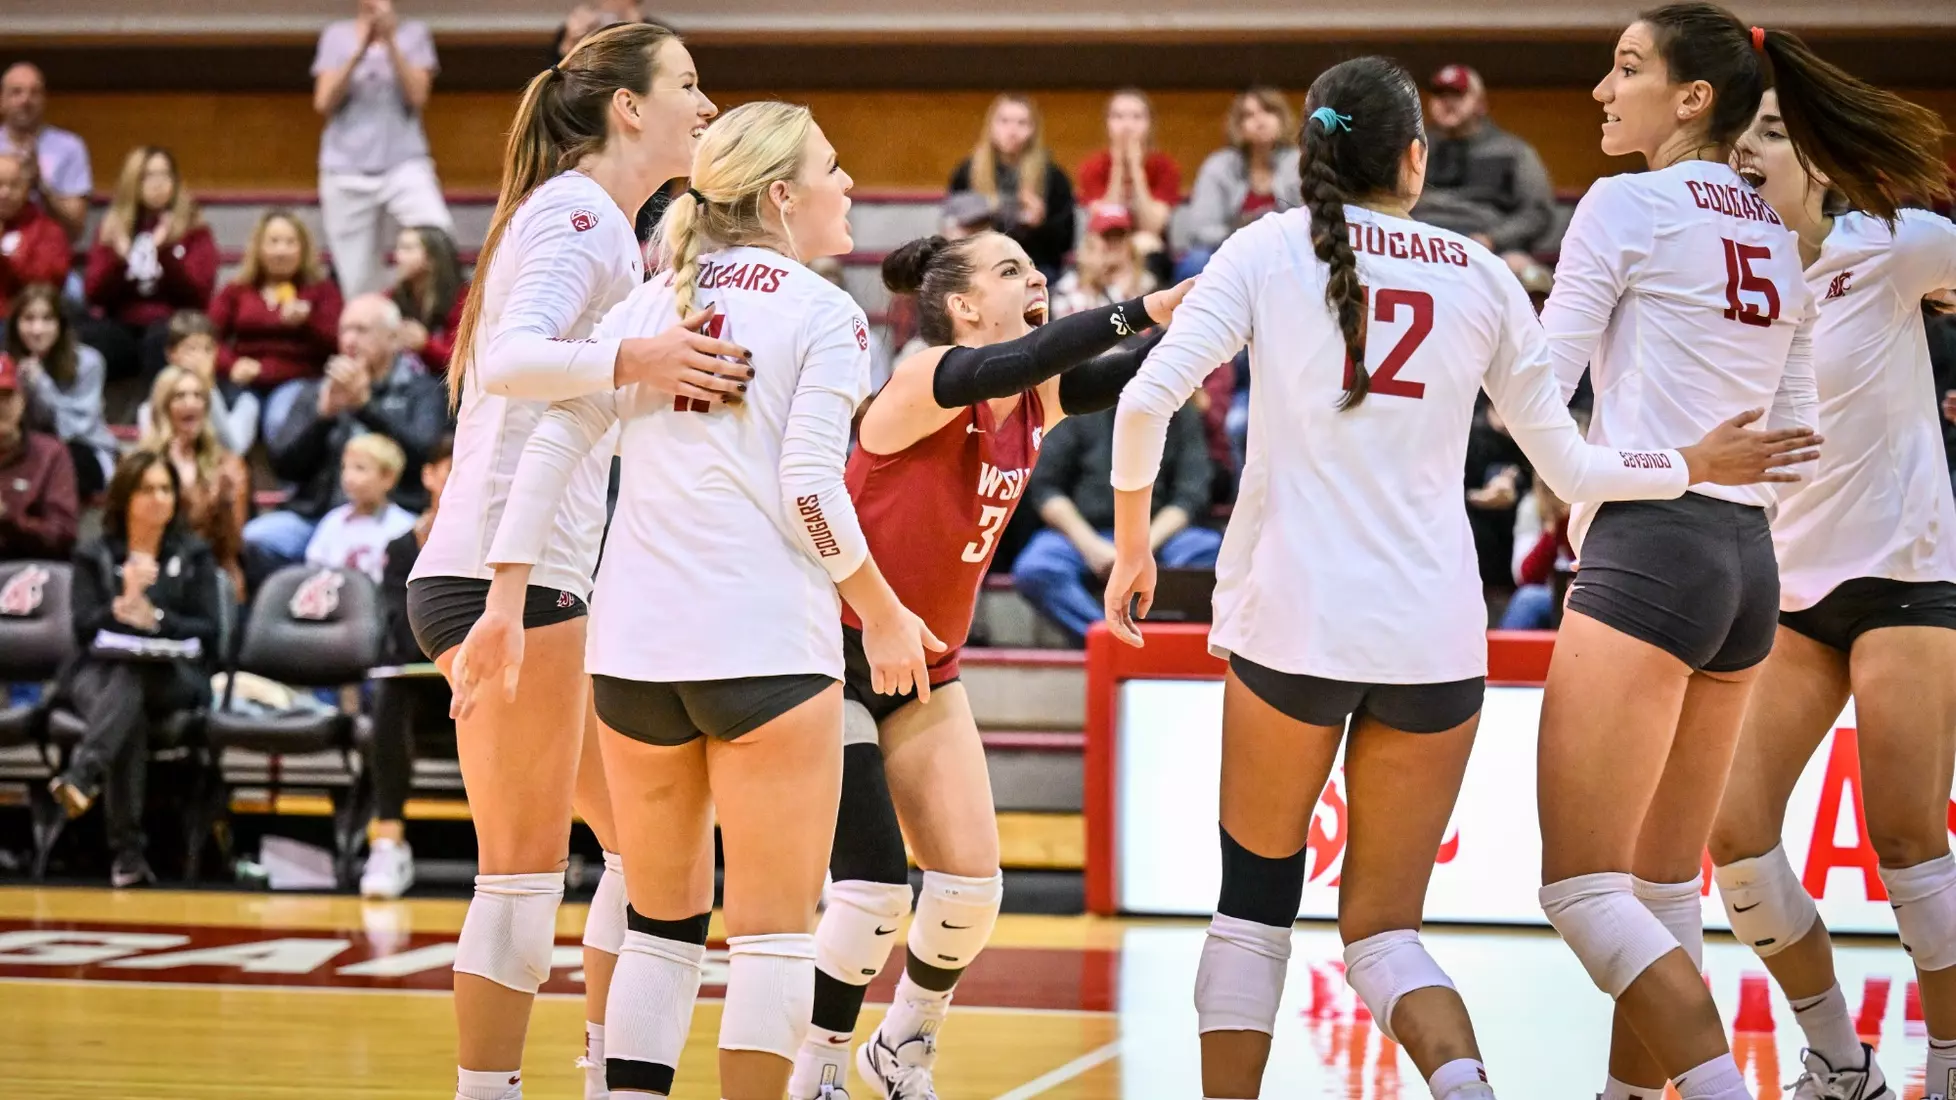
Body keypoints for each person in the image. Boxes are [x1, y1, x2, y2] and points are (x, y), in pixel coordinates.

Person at [1098, 54, 1820, 1100]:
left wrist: (1134, 545)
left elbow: (1141, 403)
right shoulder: (1480, 270)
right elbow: (1569, 466)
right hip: (1436, 641)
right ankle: (1467, 1086)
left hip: (1294, 623)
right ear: (1415, 158)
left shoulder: (1265, 246)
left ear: (1311, 156)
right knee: (1388, 933)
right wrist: (1687, 463)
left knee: (1252, 910)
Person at [453, 100, 937, 1100]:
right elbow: (811, 490)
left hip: (634, 659)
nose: (849, 184)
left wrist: (505, 591)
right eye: (833, 167)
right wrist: (883, 612)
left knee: (661, 933)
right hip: (764, 651)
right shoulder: (824, 312)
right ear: (781, 195)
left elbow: (549, 441)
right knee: (770, 941)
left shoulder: (646, 305)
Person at [1528, 7, 1941, 1098]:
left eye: (1625, 68)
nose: (1602, 91)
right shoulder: (1774, 234)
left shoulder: (1622, 203)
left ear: (1691, 97)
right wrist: (1706, 463)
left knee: (1582, 889)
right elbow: (1794, 437)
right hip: (1751, 566)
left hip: (1654, 549)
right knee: (1664, 888)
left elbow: (1540, 396)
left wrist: (1656, 462)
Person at [402, 23, 735, 1100]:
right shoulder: (580, 213)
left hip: (541, 572)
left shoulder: (601, 224)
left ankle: (606, 1073)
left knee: (642, 844)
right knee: (519, 872)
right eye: (688, 83)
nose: (706, 105)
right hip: (503, 575)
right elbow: (510, 361)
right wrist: (641, 355)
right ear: (629, 108)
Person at [785, 232, 1190, 1100]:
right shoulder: (921, 377)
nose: (1036, 275)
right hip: (835, 650)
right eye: (1010, 270)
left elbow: (1140, 373)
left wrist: (1225, 316)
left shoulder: (1036, 398)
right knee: (873, 896)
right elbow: (1034, 356)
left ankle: (901, 1050)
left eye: (1034, 266)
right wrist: (1146, 306)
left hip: (929, 665)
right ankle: (815, 1070)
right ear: (964, 307)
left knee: (970, 890)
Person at [1704, 83, 1956, 1098]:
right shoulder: (1723, 276)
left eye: (1771, 130)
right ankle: (1841, 1059)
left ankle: (1950, 1063)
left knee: (1907, 836)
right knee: (1735, 835)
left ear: (1817, 157)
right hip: (1789, 588)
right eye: (1738, 134)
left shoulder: (1893, 245)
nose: (1747, 148)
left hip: (1906, 574)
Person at [46, 450, 221, 888]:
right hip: (98, 675)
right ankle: (128, 857)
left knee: (134, 681)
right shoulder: (95, 554)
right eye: (147, 490)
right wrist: (121, 606)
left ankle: (84, 777)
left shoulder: (194, 554)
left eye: (166, 489)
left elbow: (210, 630)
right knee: (128, 698)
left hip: (171, 676)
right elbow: (83, 628)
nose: (159, 499)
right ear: (125, 498)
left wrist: (156, 619)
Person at [248, 294, 445, 584]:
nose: (350, 340)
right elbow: (283, 466)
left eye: (362, 330)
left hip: (393, 517)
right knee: (257, 538)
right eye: (344, 330)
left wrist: (365, 408)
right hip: (320, 518)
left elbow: (425, 455)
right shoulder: (318, 391)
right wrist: (323, 417)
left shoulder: (422, 391)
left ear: (393, 339)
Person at [1013, 389, 1218, 646]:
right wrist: (1091, 547)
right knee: (1037, 567)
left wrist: (1139, 548)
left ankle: (1160, 641)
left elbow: (1191, 495)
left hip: (1159, 537)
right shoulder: (1079, 406)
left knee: (1209, 552)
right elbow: (1045, 489)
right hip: (1087, 535)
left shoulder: (1182, 412)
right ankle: (1116, 643)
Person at [362, 430, 454, 900]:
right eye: (451, 467)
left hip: (484, 687)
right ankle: (388, 842)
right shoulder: (403, 547)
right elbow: (398, 635)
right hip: (425, 686)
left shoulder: (503, 541)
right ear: (429, 476)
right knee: (391, 691)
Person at [314, 0, 456, 296]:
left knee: (438, 236)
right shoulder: (336, 35)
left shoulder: (414, 34)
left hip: (404, 162)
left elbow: (417, 97)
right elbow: (324, 102)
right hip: (344, 168)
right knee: (356, 276)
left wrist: (390, 41)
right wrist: (360, 50)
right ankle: (370, 321)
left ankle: (437, 315)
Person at [81, 147, 219, 383]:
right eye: (148, 176)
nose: (158, 184)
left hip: (173, 323)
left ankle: (158, 403)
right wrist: (120, 262)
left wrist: (164, 254)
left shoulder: (194, 229)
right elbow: (94, 294)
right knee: (91, 336)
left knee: (161, 338)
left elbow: (199, 296)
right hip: (122, 324)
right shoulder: (113, 228)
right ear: (133, 182)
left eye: (165, 175)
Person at [207, 209, 344, 436]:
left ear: (303, 249)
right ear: (259, 248)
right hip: (245, 382)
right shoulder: (236, 290)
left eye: (290, 243)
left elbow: (339, 343)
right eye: (274, 242)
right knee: (233, 418)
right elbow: (207, 337)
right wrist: (231, 365)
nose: (281, 251)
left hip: (299, 382)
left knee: (279, 421)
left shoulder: (323, 291)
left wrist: (309, 322)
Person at [1409, 65, 1557, 273]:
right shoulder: (1413, 150)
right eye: (1440, 94)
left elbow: (1537, 213)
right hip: (1419, 244)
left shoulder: (1513, 152)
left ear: (1480, 104)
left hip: (1488, 247)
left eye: (1458, 95)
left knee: (1530, 275)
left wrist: (1492, 239)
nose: (1447, 102)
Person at [140, 364, 249, 596]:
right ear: (164, 406)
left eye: (198, 396)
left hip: (209, 570)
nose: (191, 403)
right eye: (180, 396)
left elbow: (232, 548)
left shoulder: (228, 465)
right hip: (154, 568)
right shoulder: (142, 464)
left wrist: (224, 504)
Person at [947, 95, 1076, 281]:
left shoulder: (1052, 176)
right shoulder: (967, 172)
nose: (1012, 131)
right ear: (990, 126)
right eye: (1004, 121)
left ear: (1034, 130)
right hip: (979, 265)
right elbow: (950, 224)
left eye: (1022, 123)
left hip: (1035, 266)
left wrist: (1040, 225)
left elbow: (1066, 242)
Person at [1178, 88, 1301, 282]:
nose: (1260, 121)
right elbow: (1201, 228)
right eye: (1249, 115)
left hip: (1286, 250)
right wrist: (1240, 234)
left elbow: (1310, 220)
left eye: (1268, 111)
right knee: (1195, 261)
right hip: (1229, 250)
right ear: (1238, 126)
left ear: (1282, 119)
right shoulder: (1219, 166)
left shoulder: (1299, 163)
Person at [9, 284, 117, 497]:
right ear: (16, 325)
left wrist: (40, 384)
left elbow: (75, 429)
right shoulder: (6, 365)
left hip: (84, 452)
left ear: (61, 324)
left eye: (47, 319)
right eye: (28, 319)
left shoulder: (89, 362)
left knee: (61, 461)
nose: (37, 330)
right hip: (26, 454)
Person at [1075, 89, 1181, 275]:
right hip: (1103, 244)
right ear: (1107, 124)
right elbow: (1104, 222)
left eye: (1137, 117)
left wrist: (1136, 170)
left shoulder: (1165, 167)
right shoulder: (1092, 166)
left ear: (1150, 124)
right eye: (1118, 117)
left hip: (1148, 246)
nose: (1127, 125)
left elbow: (1152, 226)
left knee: (1145, 243)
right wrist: (1117, 167)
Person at [138, 311, 258, 456]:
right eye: (191, 349)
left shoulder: (243, 401)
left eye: (208, 349)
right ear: (171, 354)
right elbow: (152, 449)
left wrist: (208, 388)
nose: (201, 358)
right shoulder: (151, 405)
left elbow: (233, 450)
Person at [305, 433, 417, 583]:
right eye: (344, 467)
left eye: (360, 468)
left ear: (388, 478)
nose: (348, 477)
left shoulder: (404, 527)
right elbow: (313, 570)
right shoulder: (333, 520)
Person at [0, 63, 90, 241]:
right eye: (16, 92)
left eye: (34, 93)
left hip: (49, 249)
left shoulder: (70, 147)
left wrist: (40, 185)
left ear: (44, 100)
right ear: (2, 100)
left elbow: (75, 231)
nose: (26, 100)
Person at [0, 352, 77, 562]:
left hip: (26, 568)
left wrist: (8, 518)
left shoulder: (50, 454)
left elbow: (64, 535)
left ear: (22, 400)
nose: (1, 406)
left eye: (7, 396)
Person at [1050, 205, 1159, 320]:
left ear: (1129, 241)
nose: (1114, 243)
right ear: (1091, 243)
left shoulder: (1147, 282)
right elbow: (1071, 327)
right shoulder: (1069, 286)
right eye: (1107, 237)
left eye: (1119, 236)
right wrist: (1092, 280)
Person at [0, 154, 71, 316]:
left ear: (27, 189)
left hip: (21, 319)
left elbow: (49, 283)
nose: (5, 193)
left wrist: (7, 261)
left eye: (14, 185)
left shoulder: (48, 231)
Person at [389, 225, 466, 372]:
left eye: (407, 249)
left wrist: (425, 345)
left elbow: (463, 363)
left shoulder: (463, 300)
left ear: (432, 259)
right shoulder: (393, 296)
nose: (397, 257)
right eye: (398, 248)